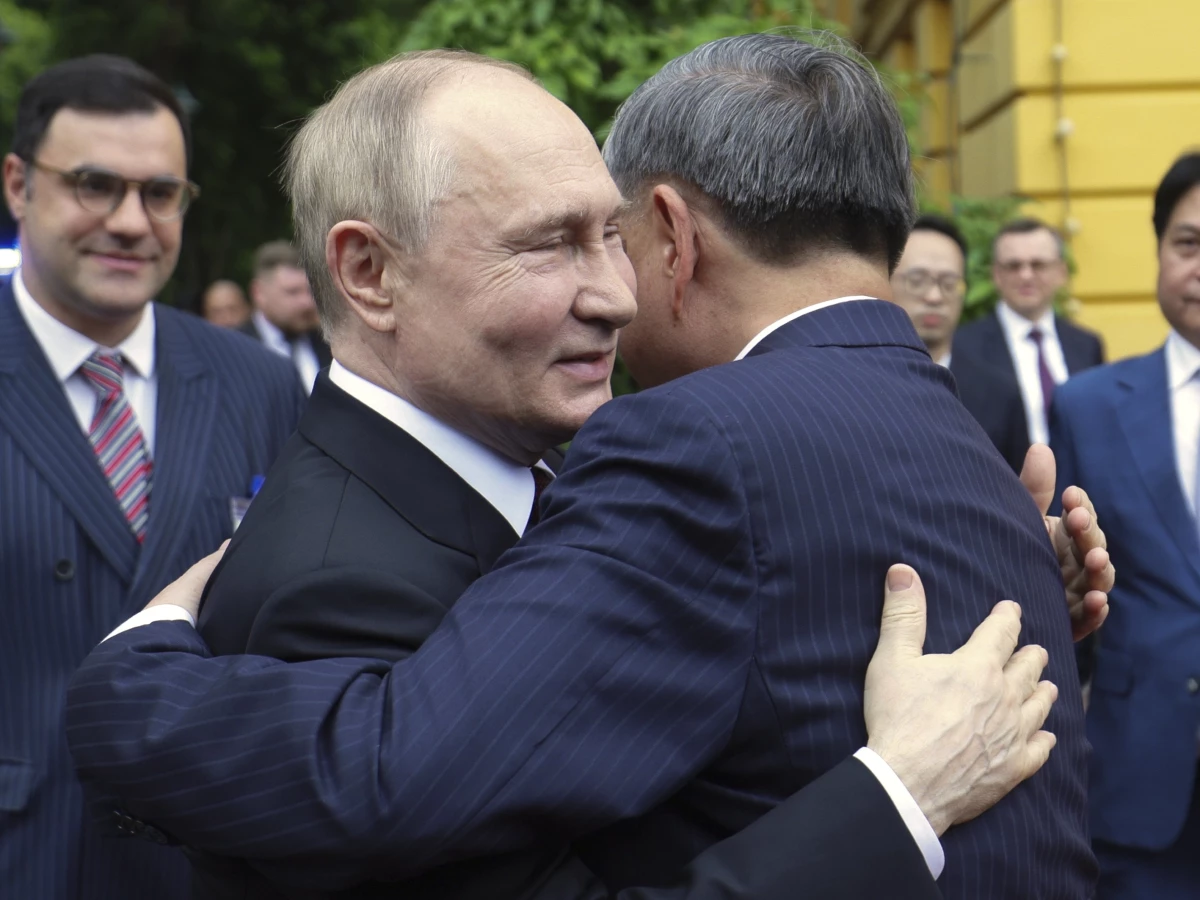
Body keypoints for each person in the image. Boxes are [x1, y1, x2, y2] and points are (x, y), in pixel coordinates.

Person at [66, 37, 1110, 898]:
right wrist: (897, 798)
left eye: (612, 236)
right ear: (369, 272)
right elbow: (376, 779)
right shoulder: (334, 578)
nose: (615, 292)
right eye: (553, 243)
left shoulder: (640, 471)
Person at [0, 55, 305, 899]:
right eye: (95, 185)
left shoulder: (258, 384)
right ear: (19, 185)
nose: (132, 222)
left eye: (161, 193)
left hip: (201, 866)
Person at [1051, 151, 1200, 898]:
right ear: (1160, 250)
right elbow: (1064, 595)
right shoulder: (1089, 405)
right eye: (1189, 243)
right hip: (1139, 779)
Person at [890, 215, 1028, 471]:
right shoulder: (852, 385)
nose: (934, 296)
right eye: (917, 281)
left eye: (949, 283)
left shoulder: (1000, 395)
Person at [954, 218, 1104, 454]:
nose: (1026, 275)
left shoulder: (1087, 345)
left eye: (1038, 265)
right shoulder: (964, 346)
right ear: (996, 274)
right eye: (1013, 266)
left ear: (1061, 272)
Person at [241, 239, 331, 391]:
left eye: (310, 292)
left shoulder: (329, 345)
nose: (307, 303)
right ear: (258, 293)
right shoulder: (237, 350)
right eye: (293, 292)